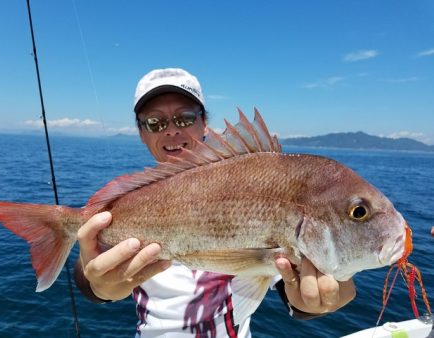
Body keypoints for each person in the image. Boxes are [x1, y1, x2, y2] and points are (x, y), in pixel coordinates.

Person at [74, 68, 356, 337]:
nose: (171, 130)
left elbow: (289, 287)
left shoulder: (256, 186)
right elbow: (89, 271)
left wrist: (311, 303)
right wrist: (99, 287)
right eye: (156, 122)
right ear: (141, 132)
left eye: (184, 118)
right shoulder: (130, 204)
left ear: (204, 123)